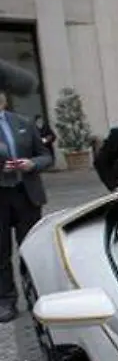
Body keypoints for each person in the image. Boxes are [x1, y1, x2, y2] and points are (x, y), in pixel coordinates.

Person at [0, 89, 52, 323]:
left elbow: (46, 156)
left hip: (26, 194)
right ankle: (6, 300)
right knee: (1, 252)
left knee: (30, 247)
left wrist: (32, 163)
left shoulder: (23, 123)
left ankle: (36, 294)